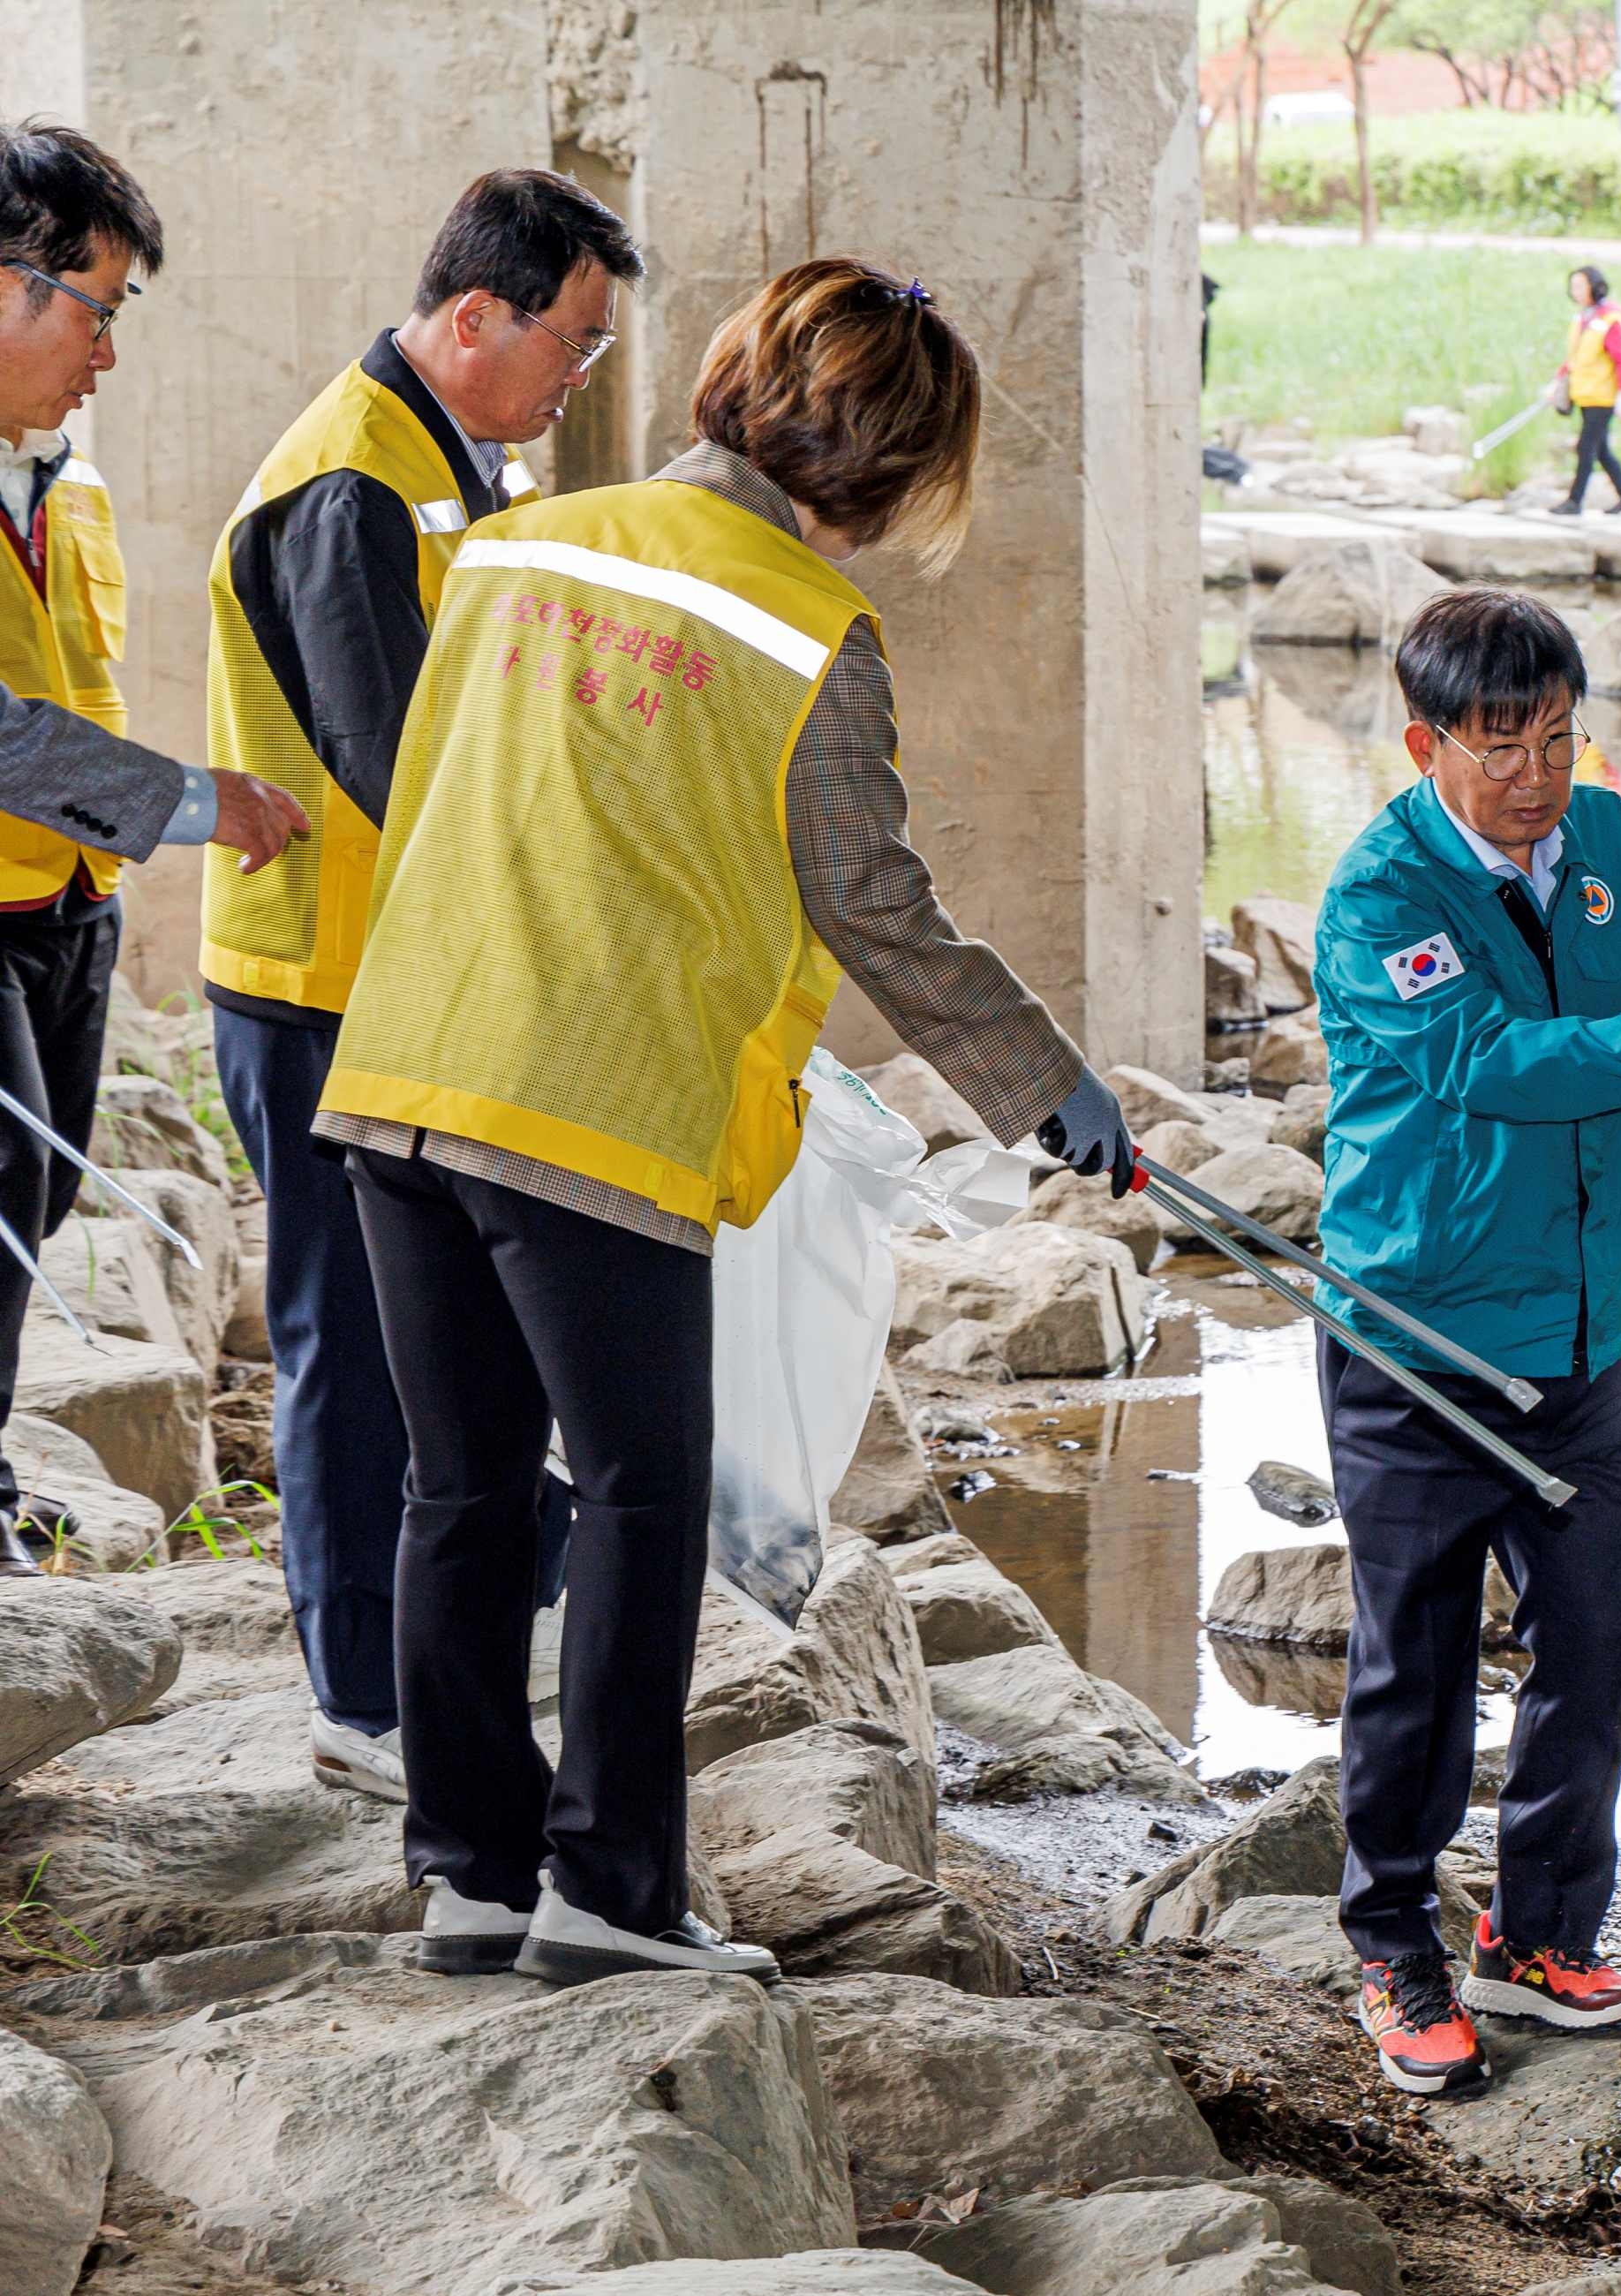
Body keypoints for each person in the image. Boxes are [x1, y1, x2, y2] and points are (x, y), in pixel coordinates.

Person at [313, 256, 1143, 1985]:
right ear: (892, 465)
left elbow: (451, 778)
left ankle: (470, 1866)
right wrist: (1044, 1081)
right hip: (594, 1111)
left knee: (458, 1486)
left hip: (402, 1067)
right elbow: (877, 903)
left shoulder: (521, 540)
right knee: (638, 1491)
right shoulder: (806, 629)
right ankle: (611, 1893)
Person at [1308, 587, 1621, 2096]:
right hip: (1418, 1348)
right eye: (1501, 742)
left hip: (1588, 1350)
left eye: (1560, 737)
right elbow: (1488, 1066)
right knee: (1418, 1669)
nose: (1536, 774)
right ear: (1427, 741)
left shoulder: (1609, 849)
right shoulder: (1382, 900)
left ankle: (1539, 1938)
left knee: (1594, 1647)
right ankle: (1395, 1946)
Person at [200, 169, 637, 1802]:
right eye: (573, 346)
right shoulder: (350, 484)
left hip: (405, 979)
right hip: (321, 982)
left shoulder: (455, 460)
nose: (579, 379)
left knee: (433, 1345)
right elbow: (392, 759)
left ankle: (445, 1627)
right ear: (475, 319)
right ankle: (358, 1695)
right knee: (349, 1340)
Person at [0, 121, 310, 1580]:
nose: (107, 351)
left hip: (68, 906)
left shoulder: (70, 487)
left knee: (41, 1191)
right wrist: (203, 801)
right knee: (5, 1171)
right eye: (95, 309)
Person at [1547, 266, 1621, 518]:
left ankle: (1574, 501)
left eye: (1580, 286)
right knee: (1601, 451)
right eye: (1573, 286)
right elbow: (1576, 357)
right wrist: (1558, 382)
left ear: (1594, 287)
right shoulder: (1584, 319)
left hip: (1603, 396)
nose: (1575, 292)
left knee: (1586, 448)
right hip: (1584, 393)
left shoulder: (1610, 320)